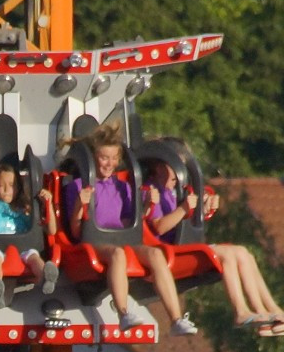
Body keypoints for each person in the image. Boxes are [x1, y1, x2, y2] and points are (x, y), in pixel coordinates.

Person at [146, 159, 284, 336]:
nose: (179, 174)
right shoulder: (151, 191)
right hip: (166, 253)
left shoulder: (174, 191)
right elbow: (160, 227)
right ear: (158, 167)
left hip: (182, 246)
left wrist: (203, 209)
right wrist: (184, 208)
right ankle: (241, 312)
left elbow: (186, 222)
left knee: (243, 253)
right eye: (174, 167)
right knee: (227, 255)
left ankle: (269, 312)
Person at [66, 122, 197, 336]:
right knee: (117, 255)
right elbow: (76, 230)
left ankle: (176, 319)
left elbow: (134, 220)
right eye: (104, 158)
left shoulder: (123, 187)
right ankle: (123, 313)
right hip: (95, 241)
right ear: (93, 158)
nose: (109, 164)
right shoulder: (79, 187)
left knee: (155, 254)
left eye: (113, 158)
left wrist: (146, 206)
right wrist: (80, 206)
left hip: (124, 238)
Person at [0, 163, 59, 308]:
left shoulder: (24, 211)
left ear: (18, 188)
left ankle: (46, 276)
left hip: (22, 249)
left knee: (33, 255)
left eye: (12, 185)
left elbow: (51, 230)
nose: (7, 190)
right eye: (0, 185)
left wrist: (48, 204)